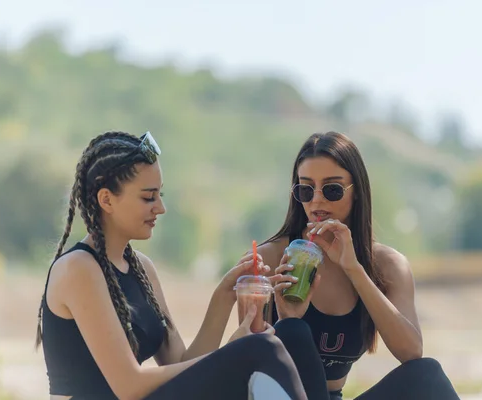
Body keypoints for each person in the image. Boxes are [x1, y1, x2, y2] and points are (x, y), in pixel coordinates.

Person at [34, 131, 322, 400]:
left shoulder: (141, 268)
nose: (160, 207)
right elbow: (129, 386)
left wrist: (224, 294)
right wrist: (234, 353)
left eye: (161, 195)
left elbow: (180, 364)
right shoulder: (78, 268)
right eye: (148, 197)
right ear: (106, 199)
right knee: (260, 348)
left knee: (275, 343)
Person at [256, 131, 461, 400]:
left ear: (357, 193)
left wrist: (355, 269)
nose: (317, 200)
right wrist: (286, 319)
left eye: (332, 189)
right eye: (306, 189)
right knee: (293, 329)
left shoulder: (387, 266)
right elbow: (250, 363)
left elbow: (411, 352)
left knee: (427, 375)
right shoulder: (271, 258)